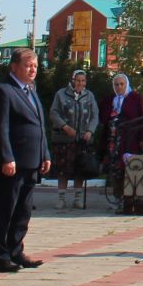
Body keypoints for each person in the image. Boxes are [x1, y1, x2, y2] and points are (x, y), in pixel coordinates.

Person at [0, 46, 50, 272]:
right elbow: (0, 127)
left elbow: (39, 125)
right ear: (14, 67)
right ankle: (0, 255)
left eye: (35, 66)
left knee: (23, 209)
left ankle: (16, 250)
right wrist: (6, 157)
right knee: (6, 207)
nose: (33, 69)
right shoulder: (3, 91)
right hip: (12, 162)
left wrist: (45, 153)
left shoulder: (31, 90)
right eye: (28, 65)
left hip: (32, 160)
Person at [48, 67, 100, 210]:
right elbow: (54, 113)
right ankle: (61, 198)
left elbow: (95, 115)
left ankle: (77, 198)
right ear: (72, 80)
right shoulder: (61, 94)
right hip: (63, 138)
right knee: (62, 169)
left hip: (82, 139)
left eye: (83, 81)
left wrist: (90, 131)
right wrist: (65, 126)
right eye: (78, 80)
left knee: (80, 169)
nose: (80, 84)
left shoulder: (89, 96)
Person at [103, 72, 143, 213]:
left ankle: (130, 200)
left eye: (122, 84)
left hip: (130, 140)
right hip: (113, 140)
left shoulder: (135, 98)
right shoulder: (110, 99)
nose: (119, 87)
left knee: (128, 168)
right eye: (116, 84)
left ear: (126, 84)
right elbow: (104, 117)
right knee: (115, 170)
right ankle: (118, 198)